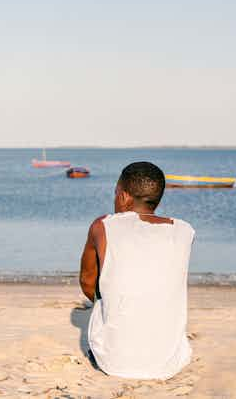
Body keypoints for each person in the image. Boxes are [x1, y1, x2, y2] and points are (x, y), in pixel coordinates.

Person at [79, 161, 195, 379]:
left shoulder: (102, 225)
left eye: (115, 193)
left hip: (114, 361)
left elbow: (87, 284)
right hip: (169, 363)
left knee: (103, 295)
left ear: (123, 197)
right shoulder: (185, 231)